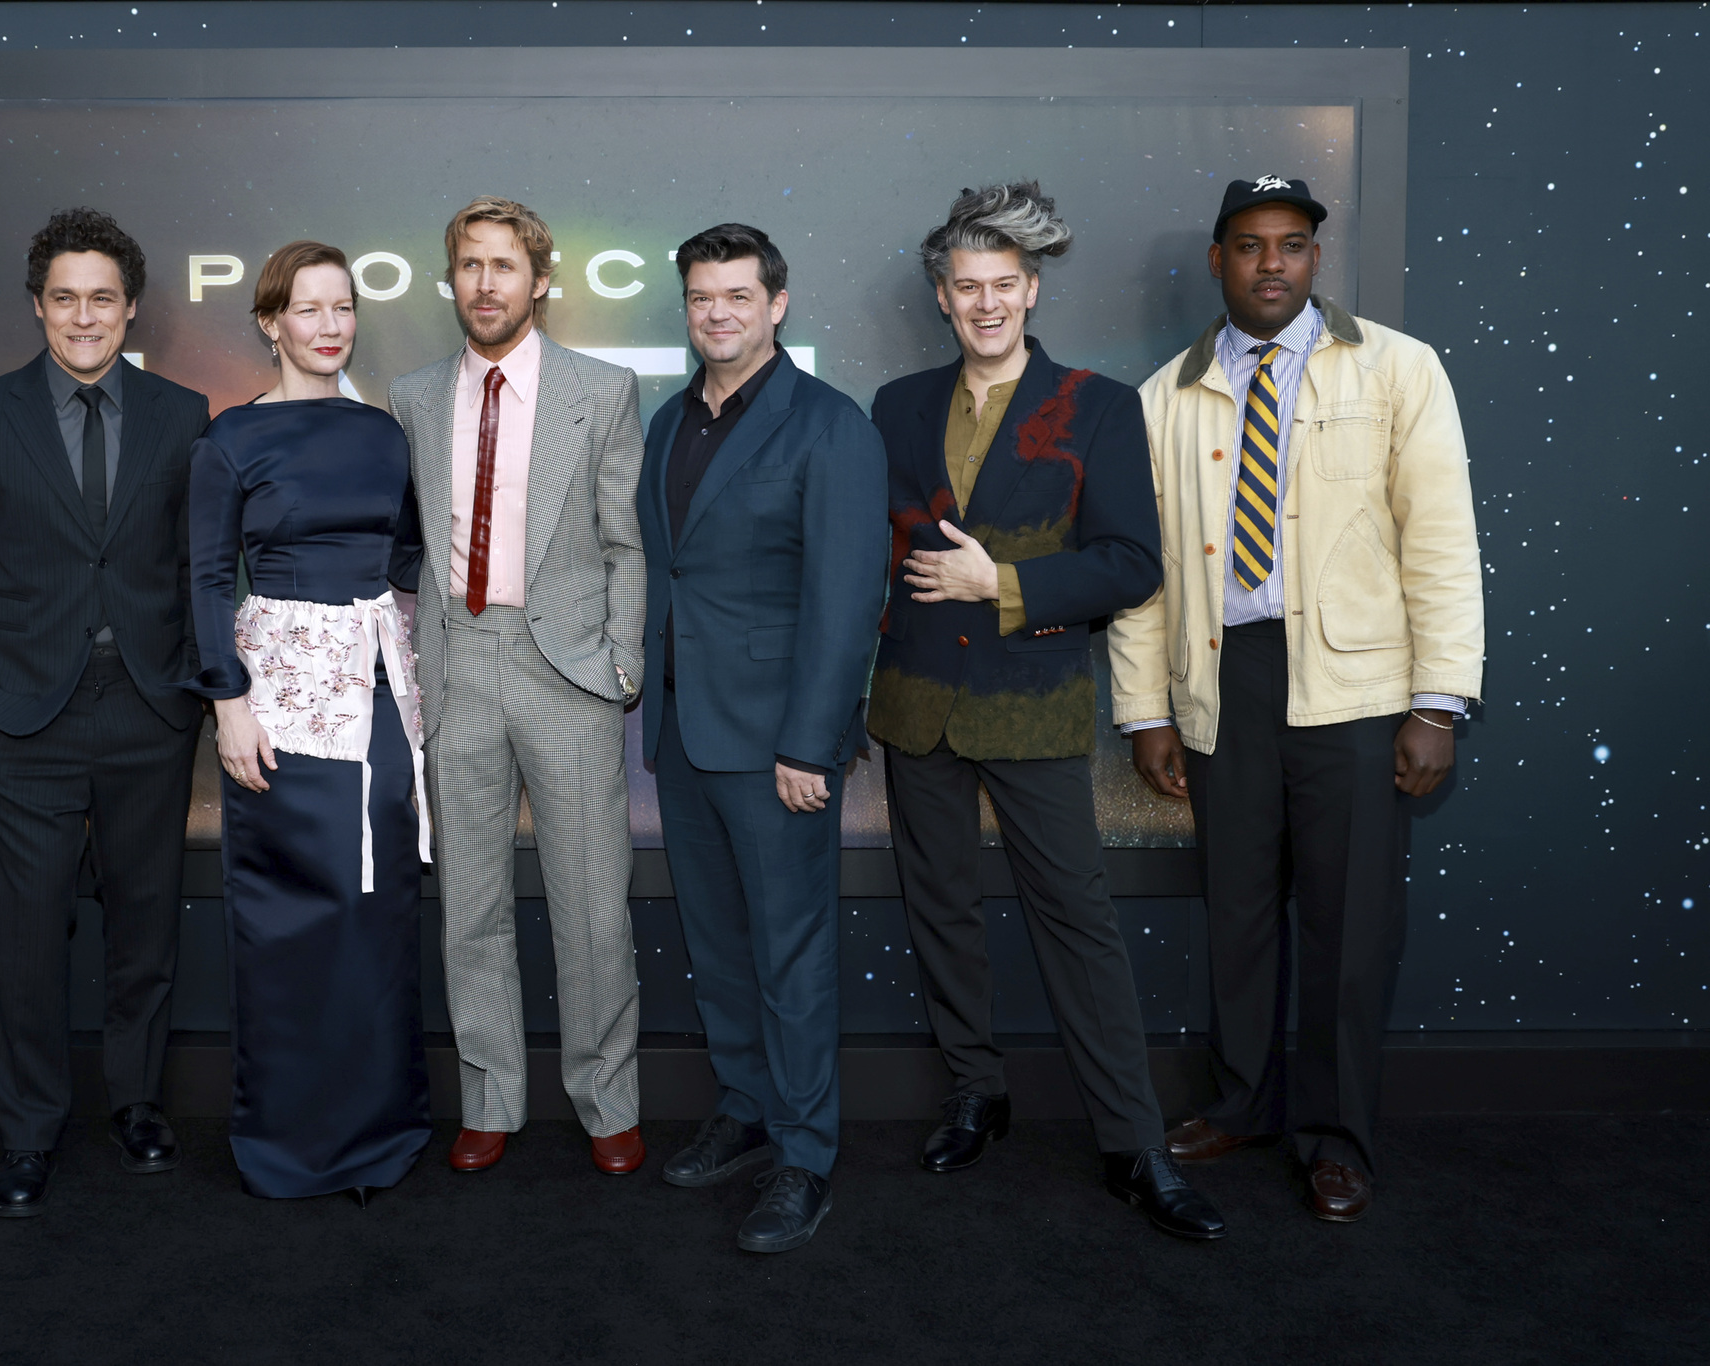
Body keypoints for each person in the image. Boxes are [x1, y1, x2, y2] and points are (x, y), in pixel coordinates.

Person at [1108, 175, 1484, 1222]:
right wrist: (1144, 710)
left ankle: (1334, 1135)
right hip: (1222, 679)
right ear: (1218, 260)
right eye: (1247, 244)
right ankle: (1242, 1102)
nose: (1269, 262)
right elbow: (1142, 573)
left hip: (1358, 689)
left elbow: (1441, 540)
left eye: (1289, 244)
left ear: (1315, 257)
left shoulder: (1399, 368)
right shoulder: (1162, 395)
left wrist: (1437, 702)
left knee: (1347, 923)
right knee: (1235, 913)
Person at [867, 182, 1228, 1241]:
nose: (984, 303)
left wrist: (1005, 585)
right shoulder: (895, 405)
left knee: (1077, 923)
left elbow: (1131, 563)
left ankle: (1134, 1145)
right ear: (942, 297)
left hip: (1031, 701)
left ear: (1030, 290)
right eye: (965, 287)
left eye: (1002, 285)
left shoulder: (1099, 405)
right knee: (938, 910)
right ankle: (975, 1093)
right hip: (915, 703)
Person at [0, 208, 212, 1217]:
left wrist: (192, 684)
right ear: (37, 306)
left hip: (148, 708)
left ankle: (135, 1102)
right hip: (21, 719)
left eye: (102, 298)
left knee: (145, 925)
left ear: (130, 309)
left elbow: (200, 565)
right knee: (25, 935)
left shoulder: (183, 414)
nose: (83, 316)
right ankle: (29, 1129)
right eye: (64, 298)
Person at [639, 223, 887, 1254]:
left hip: (777, 747)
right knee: (719, 948)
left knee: (792, 956)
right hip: (683, 736)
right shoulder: (667, 421)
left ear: (776, 305)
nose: (719, 313)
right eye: (702, 296)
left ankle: (803, 1155)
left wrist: (808, 745)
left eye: (738, 295)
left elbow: (845, 601)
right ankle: (745, 1110)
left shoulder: (829, 425)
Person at [387, 197, 647, 1176]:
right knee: (470, 906)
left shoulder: (603, 390)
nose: (485, 283)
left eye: (504, 266)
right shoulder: (413, 396)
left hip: (567, 670)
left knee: (592, 908)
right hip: (460, 662)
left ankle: (607, 1101)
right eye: (470, 265)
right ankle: (489, 1097)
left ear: (539, 281)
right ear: (451, 279)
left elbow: (625, 542)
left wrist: (619, 663)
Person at [183, 241, 432, 1204]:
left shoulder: (384, 434)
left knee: (377, 918)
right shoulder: (232, 439)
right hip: (279, 710)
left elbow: (407, 560)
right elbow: (207, 577)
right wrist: (228, 704)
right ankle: (293, 1144)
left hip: (379, 704)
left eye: (343, 308)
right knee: (293, 920)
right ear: (270, 323)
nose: (330, 327)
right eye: (309, 309)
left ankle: (376, 1136)